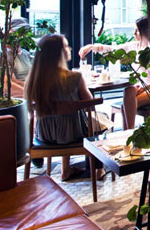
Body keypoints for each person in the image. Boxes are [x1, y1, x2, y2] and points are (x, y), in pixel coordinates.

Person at [25, 34, 99, 180]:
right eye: (66, 46)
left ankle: (66, 169)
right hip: (73, 135)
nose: (69, 48)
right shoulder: (74, 77)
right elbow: (90, 106)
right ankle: (98, 169)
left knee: (65, 120)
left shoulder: (34, 80)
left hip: (45, 135)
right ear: (58, 53)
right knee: (99, 122)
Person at [79, 16, 150, 130]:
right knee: (128, 91)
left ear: (145, 31)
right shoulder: (134, 46)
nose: (134, 33)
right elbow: (112, 50)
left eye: (137, 30)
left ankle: (128, 132)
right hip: (139, 87)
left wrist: (145, 87)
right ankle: (128, 132)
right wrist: (92, 47)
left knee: (127, 102)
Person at [0, 17, 34, 98]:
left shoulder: (25, 53)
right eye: (18, 31)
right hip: (19, 100)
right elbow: (5, 85)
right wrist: (33, 96)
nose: (21, 35)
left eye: (25, 31)